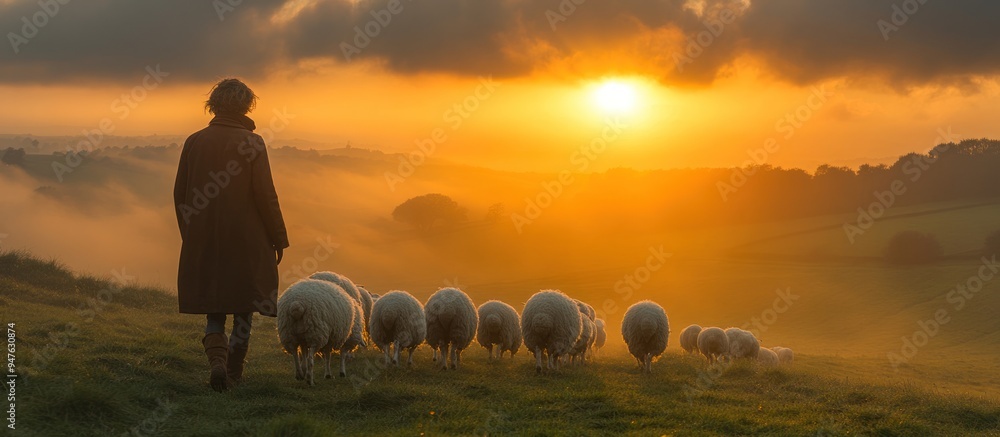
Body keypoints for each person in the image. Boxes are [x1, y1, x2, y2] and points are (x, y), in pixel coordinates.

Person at [173, 78, 289, 392]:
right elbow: (266, 196)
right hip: (247, 243)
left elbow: (180, 194)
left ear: (214, 104)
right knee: (243, 309)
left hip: (205, 240)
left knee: (215, 308)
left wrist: (192, 234)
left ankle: (217, 364)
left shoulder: (194, 141)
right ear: (246, 105)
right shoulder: (253, 143)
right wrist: (279, 238)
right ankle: (234, 374)